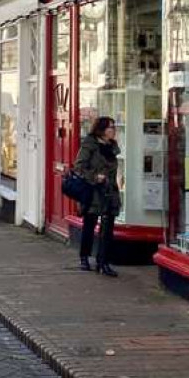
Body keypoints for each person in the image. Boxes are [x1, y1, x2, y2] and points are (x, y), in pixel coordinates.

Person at [73, 116, 122, 277]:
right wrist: (95, 177)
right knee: (90, 224)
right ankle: (84, 258)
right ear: (101, 129)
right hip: (93, 191)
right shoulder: (90, 144)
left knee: (108, 229)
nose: (113, 130)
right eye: (110, 127)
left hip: (110, 191)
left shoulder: (112, 147)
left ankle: (103, 262)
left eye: (114, 127)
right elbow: (79, 167)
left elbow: (113, 169)